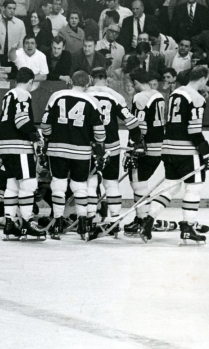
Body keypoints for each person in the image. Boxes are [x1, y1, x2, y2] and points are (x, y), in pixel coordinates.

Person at [137, 66, 209, 243]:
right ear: (203, 79)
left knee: (171, 186)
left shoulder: (176, 93)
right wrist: (206, 152)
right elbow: (194, 131)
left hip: (168, 148)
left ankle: (148, 221)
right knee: (193, 188)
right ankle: (188, 227)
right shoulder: (196, 98)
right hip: (187, 151)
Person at [40, 70, 106, 240]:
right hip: (81, 151)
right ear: (87, 84)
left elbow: (45, 124)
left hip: (57, 148)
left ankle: (57, 222)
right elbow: (99, 131)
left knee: (58, 185)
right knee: (80, 186)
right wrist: (99, 144)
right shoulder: (92, 100)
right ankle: (83, 223)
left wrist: (48, 138)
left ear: (71, 82)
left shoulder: (57, 95)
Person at [85, 67, 143, 239]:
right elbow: (131, 121)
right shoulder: (115, 96)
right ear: (107, 78)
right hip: (112, 145)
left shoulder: (85, 94)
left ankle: (90, 220)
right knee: (111, 184)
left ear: (91, 78)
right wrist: (136, 141)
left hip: (91, 145)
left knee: (91, 182)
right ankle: (115, 221)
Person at [0, 67, 47, 240]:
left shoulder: (8, 94)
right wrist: (35, 135)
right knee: (28, 184)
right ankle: (27, 222)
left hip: (4, 146)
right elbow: (21, 120)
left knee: (12, 186)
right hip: (19, 147)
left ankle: (10, 223)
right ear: (31, 82)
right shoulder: (24, 94)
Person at [122, 67, 166, 235]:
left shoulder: (140, 97)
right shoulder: (158, 94)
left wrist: (134, 148)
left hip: (146, 147)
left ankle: (142, 220)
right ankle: (142, 217)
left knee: (138, 182)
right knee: (139, 182)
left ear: (135, 82)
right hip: (158, 146)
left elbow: (139, 127)